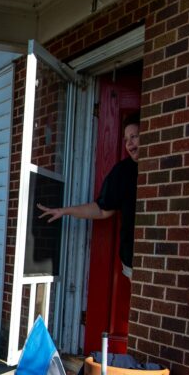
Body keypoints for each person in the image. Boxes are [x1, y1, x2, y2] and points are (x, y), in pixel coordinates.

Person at [37, 115, 140, 278]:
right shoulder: (122, 172)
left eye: (134, 137)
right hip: (133, 261)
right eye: (126, 139)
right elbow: (101, 210)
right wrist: (64, 211)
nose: (129, 143)